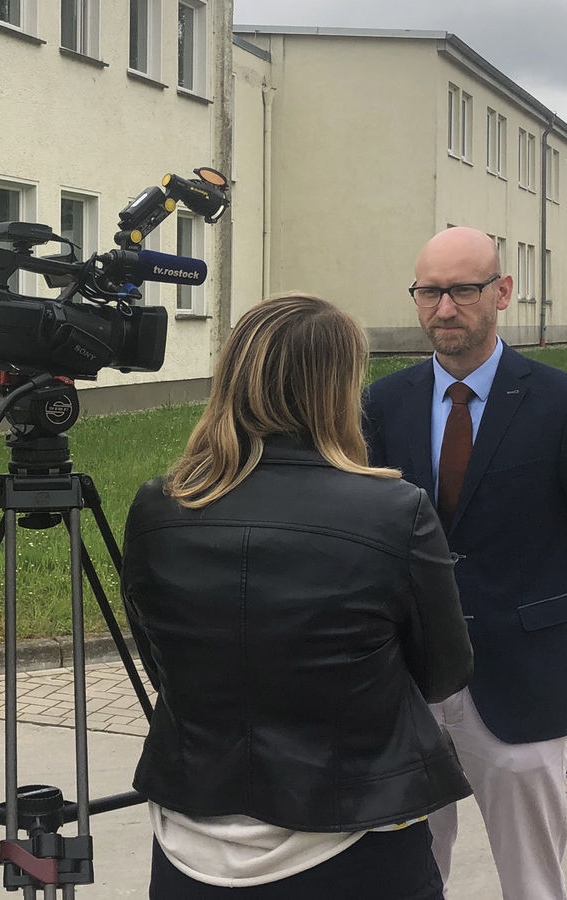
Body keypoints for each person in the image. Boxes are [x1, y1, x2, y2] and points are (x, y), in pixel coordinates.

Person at [122, 293, 475, 899]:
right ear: (338, 388)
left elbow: (164, 662)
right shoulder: (394, 511)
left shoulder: (160, 506)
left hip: (190, 838)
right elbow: (444, 671)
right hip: (356, 836)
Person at [362, 227, 567, 898]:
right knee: (408, 872)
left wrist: (545, 621)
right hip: (408, 682)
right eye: (429, 292)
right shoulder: (383, 404)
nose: (444, 309)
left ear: (502, 292)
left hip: (521, 681)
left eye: (462, 290)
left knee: (533, 878)